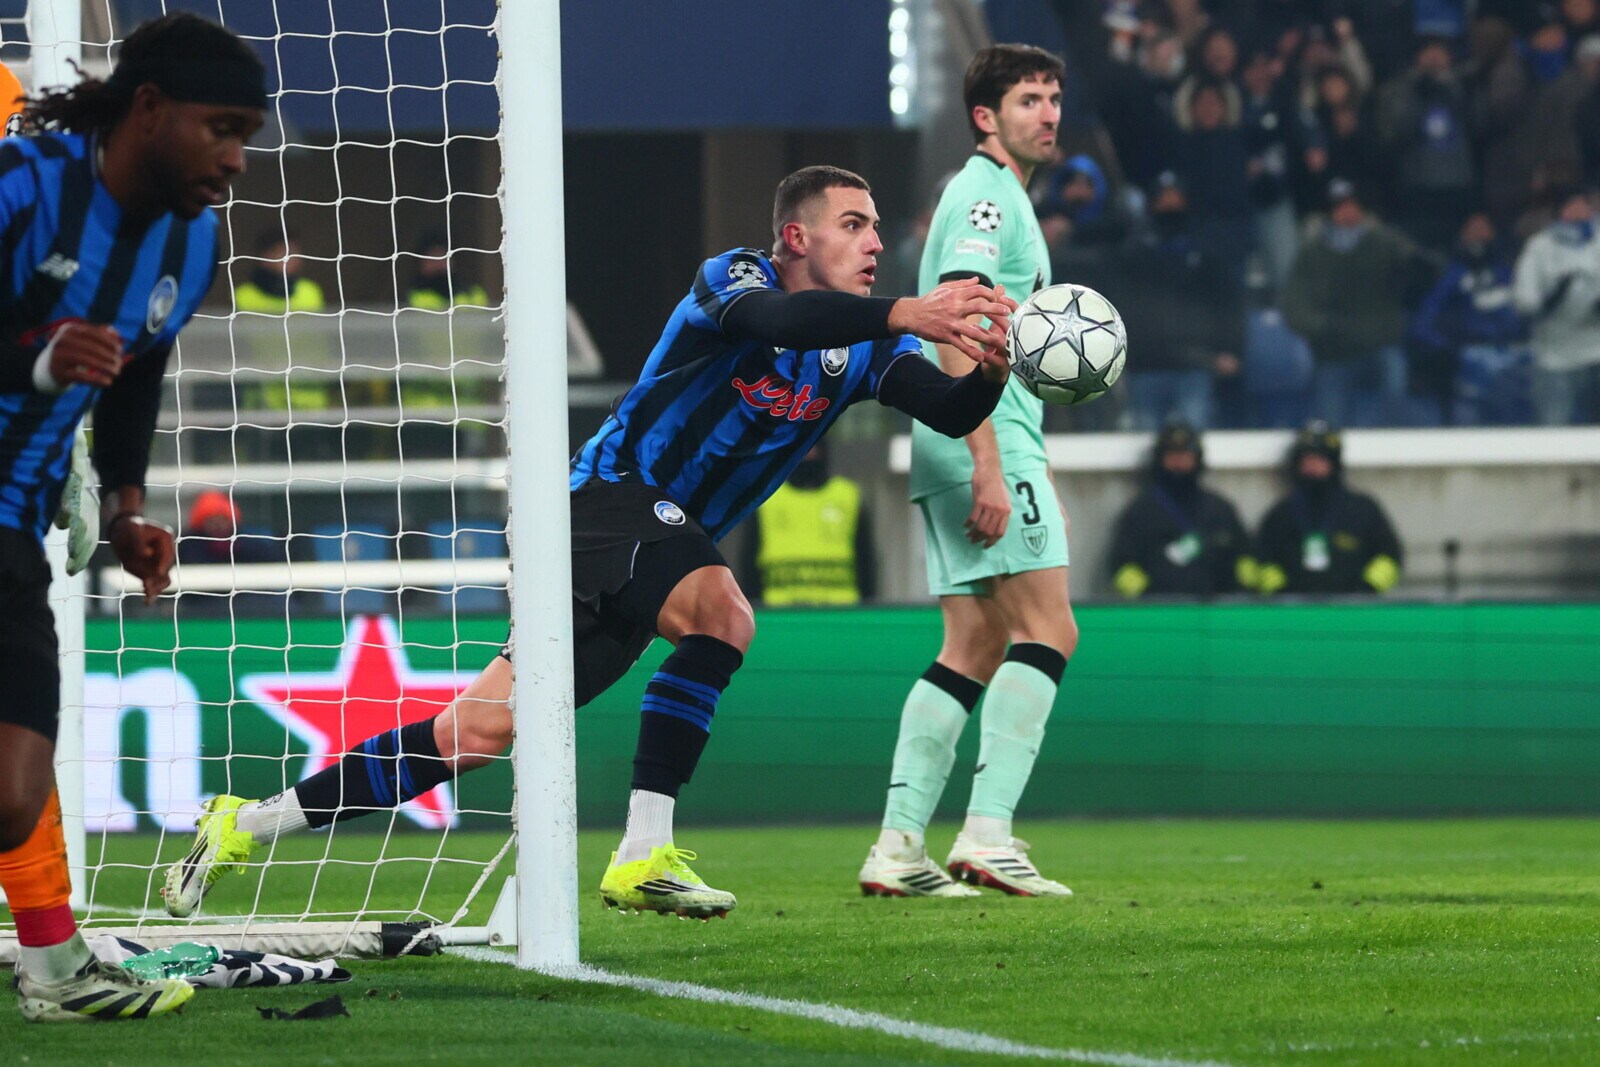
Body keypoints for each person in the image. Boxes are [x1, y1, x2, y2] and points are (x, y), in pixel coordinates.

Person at [164, 165, 1016, 921]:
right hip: (605, 501)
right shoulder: (733, 278)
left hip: (654, 543)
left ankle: (245, 823)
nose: (875, 242)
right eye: (854, 224)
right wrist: (908, 309)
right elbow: (782, 322)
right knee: (723, 615)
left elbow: (947, 411)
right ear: (797, 236)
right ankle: (644, 852)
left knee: (477, 733)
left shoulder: (868, 346)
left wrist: (992, 370)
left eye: (876, 228)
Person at [0, 13, 265, 1021]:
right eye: (222, 129)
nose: (236, 159)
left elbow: (136, 372)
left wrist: (124, 510)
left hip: (13, 520)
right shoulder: (22, 188)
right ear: (149, 109)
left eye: (247, 136)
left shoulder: (191, 244)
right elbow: (55, 356)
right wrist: (34, 360)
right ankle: (53, 967)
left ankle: (53, 970)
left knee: (13, 795)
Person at [859, 44, 1075, 901]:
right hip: (984, 438)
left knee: (975, 643)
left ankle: (897, 845)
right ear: (986, 116)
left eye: (1053, 98)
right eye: (1029, 99)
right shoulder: (987, 196)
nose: (1048, 114)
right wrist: (989, 459)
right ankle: (987, 833)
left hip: (965, 441)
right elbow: (958, 322)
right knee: (1050, 630)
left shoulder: (999, 195)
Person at [1281, 178, 1438, 426]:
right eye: (1340, 206)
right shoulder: (1312, 252)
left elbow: (1425, 272)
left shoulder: (1385, 242)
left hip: (1381, 344)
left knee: (1395, 405)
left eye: (1353, 205)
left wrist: (1416, 260)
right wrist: (1325, 327)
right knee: (1332, 421)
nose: (1347, 212)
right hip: (1334, 351)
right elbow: (1294, 306)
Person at [1105, 171, 1243, 431]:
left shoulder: (1205, 251)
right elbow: (1122, 307)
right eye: (1163, 197)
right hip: (1146, 365)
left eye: (1175, 196)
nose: (1170, 203)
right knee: (1141, 440)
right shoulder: (1135, 253)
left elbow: (1228, 302)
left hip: (1197, 364)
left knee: (1191, 438)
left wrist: (1232, 349)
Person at [1254, 420, 1403, 596]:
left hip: (1353, 608)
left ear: (1334, 463)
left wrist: (1367, 590)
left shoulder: (1363, 510)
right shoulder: (1280, 515)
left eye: (1320, 459)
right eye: (1307, 459)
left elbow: (1389, 556)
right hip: (1296, 609)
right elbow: (1262, 560)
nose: (1313, 466)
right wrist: (1281, 594)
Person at [1107, 422, 1254, 598]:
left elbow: (1245, 557)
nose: (1179, 463)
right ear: (1159, 459)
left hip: (1216, 609)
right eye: (1172, 456)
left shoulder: (1220, 509)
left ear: (1197, 459)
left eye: (1185, 456)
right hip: (1163, 609)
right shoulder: (1141, 512)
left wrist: (1243, 590)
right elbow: (1122, 565)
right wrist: (1146, 597)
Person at [1409, 212, 1530, 424]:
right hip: (1466, 360)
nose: (1479, 236)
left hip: (1508, 360)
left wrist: (1518, 339)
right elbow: (1425, 320)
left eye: (1484, 229)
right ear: (1463, 234)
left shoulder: (1506, 272)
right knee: (1467, 421)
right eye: (1473, 230)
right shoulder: (1450, 274)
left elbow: (1523, 311)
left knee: (1510, 421)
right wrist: (1447, 347)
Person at [739, 442, 875, 606]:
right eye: (804, 448)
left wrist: (868, 608)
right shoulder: (767, 499)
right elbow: (748, 562)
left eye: (813, 447)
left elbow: (866, 560)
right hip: (779, 611)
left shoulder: (847, 497)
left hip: (840, 610)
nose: (809, 455)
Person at [1512, 188, 1600, 425]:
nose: (1579, 213)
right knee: (1554, 429)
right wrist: (1552, 301)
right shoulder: (1540, 246)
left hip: (1596, 351)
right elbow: (1525, 300)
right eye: (1572, 207)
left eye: (1584, 207)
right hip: (1554, 357)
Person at [234, 229, 325, 313]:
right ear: (264, 257)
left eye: (296, 254)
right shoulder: (241, 295)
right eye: (286, 254)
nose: (293, 259)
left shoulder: (310, 291)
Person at [406, 231, 490, 309]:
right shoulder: (411, 299)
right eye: (432, 258)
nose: (437, 264)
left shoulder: (475, 295)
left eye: (442, 257)